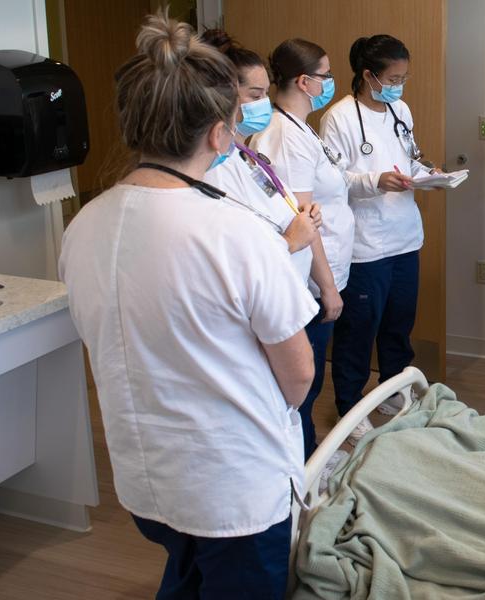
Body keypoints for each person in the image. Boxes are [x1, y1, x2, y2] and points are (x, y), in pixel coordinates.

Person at [59, 12, 317, 598]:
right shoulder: (236, 234)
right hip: (234, 488)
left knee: (185, 573)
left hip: (149, 478)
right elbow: (298, 378)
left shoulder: (85, 226)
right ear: (219, 133)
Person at [251, 37, 412, 447]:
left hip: (334, 260)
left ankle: (307, 453)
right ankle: (311, 456)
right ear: (305, 82)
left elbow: (320, 198)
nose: (330, 81)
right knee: (305, 377)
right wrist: (326, 287)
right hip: (318, 269)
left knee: (309, 377)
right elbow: (304, 221)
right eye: (324, 75)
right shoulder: (290, 133)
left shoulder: (299, 129)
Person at [198, 30, 341, 460]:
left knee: (300, 396)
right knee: (289, 395)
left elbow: (281, 211)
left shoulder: (247, 156)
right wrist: (290, 239)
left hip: (291, 290)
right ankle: (301, 467)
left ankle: (308, 458)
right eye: (256, 93)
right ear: (224, 96)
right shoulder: (212, 171)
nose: (265, 102)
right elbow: (236, 258)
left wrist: (301, 223)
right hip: (267, 302)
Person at [319, 34, 426, 420]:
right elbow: (331, 181)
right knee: (358, 334)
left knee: (398, 328)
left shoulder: (402, 112)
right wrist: (373, 181)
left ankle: (393, 393)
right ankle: (350, 406)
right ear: (369, 76)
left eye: (403, 78)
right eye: (393, 78)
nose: (399, 86)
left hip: (405, 239)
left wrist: (430, 175)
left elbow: (411, 160)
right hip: (366, 245)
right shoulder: (339, 117)